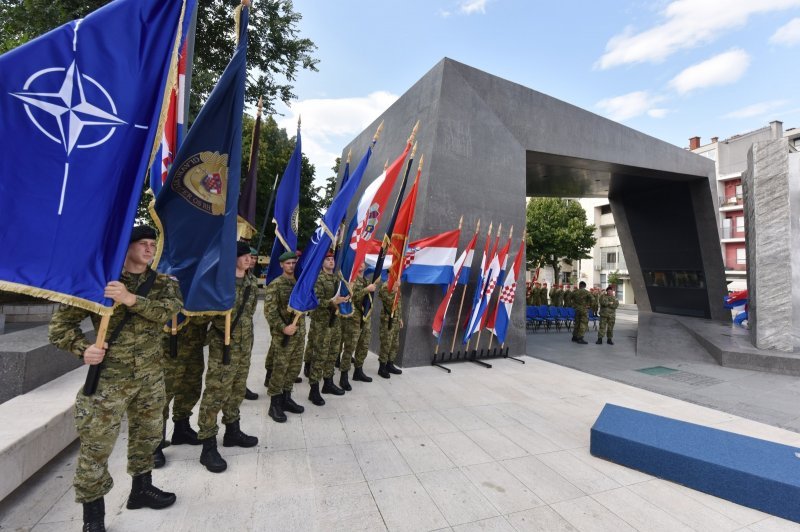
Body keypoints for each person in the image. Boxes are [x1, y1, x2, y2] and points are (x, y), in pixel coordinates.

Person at [49, 225, 183, 532]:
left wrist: (130, 299)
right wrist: (84, 350)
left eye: (153, 244)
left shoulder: (163, 282)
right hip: (109, 380)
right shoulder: (98, 281)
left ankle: (141, 490)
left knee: (147, 437)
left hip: (150, 377)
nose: (150, 249)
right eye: (143, 244)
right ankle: (93, 518)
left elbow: (169, 311)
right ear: (127, 247)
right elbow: (60, 329)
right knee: (96, 448)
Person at [197, 242, 259, 474]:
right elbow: (205, 313)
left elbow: (250, 312)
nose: (248, 259)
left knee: (237, 389)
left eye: (249, 256)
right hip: (224, 345)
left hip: (244, 345)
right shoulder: (221, 282)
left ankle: (232, 430)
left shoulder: (251, 281)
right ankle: (208, 444)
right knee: (215, 393)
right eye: (243, 256)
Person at [263, 251, 306, 422]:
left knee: (294, 368)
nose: (291, 266)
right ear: (281, 265)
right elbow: (270, 311)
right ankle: (274, 404)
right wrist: (283, 328)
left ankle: (287, 398)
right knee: (280, 369)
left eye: (293, 263)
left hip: (299, 333)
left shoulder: (299, 283)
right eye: (287, 263)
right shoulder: (276, 284)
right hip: (284, 336)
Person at [159, 316, 208, 464]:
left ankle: (182, 428)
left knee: (191, 385)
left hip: (196, 336)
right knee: (164, 390)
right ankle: (154, 443)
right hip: (172, 337)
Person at [305, 250, 349, 405]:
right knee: (320, 355)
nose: (331, 261)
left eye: (332, 259)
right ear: (322, 262)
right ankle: (314, 389)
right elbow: (316, 301)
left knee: (333, 353)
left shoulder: (338, 279)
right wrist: (332, 302)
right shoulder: (319, 279)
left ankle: (328, 383)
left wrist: (345, 298)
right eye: (328, 259)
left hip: (335, 322)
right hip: (322, 323)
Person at [339, 261, 378, 387]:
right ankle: (343, 376)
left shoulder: (367, 281)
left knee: (364, 345)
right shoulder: (352, 281)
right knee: (350, 347)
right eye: (358, 262)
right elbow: (352, 298)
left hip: (365, 318)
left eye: (363, 263)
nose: (361, 264)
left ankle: (358, 371)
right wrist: (366, 290)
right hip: (354, 319)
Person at [378, 280, 403, 379]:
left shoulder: (396, 285)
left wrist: (400, 317)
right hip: (388, 320)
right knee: (386, 344)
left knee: (395, 344)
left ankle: (390, 364)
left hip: (396, 319)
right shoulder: (385, 286)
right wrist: (394, 290)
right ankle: (382, 367)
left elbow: (398, 303)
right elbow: (388, 301)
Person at [244, 247, 260, 401]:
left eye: (255, 258)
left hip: (247, 326)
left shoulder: (254, 280)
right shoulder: (231, 277)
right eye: (250, 257)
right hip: (232, 327)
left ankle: (242, 387)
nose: (252, 261)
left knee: (245, 359)